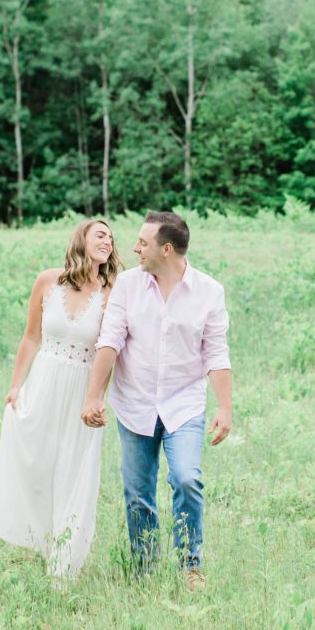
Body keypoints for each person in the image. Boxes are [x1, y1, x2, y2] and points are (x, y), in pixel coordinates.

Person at [81, 211, 231, 588]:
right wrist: (94, 396)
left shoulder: (209, 292)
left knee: (186, 479)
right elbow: (110, 340)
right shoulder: (128, 286)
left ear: (166, 249)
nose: (133, 248)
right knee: (137, 494)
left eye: (143, 243)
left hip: (184, 404)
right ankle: (145, 569)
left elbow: (216, 353)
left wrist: (225, 408)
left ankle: (190, 566)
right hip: (135, 403)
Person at [0, 219, 122, 578]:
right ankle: (39, 540)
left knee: (75, 471)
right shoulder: (47, 281)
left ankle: (64, 563)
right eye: (100, 235)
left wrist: (97, 397)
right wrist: (15, 386)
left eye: (111, 238)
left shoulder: (113, 291)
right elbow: (31, 338)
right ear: (82, 239)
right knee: (37, 462)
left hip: (81, 391)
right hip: (44, 381)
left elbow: (112, 350)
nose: (107, 241)